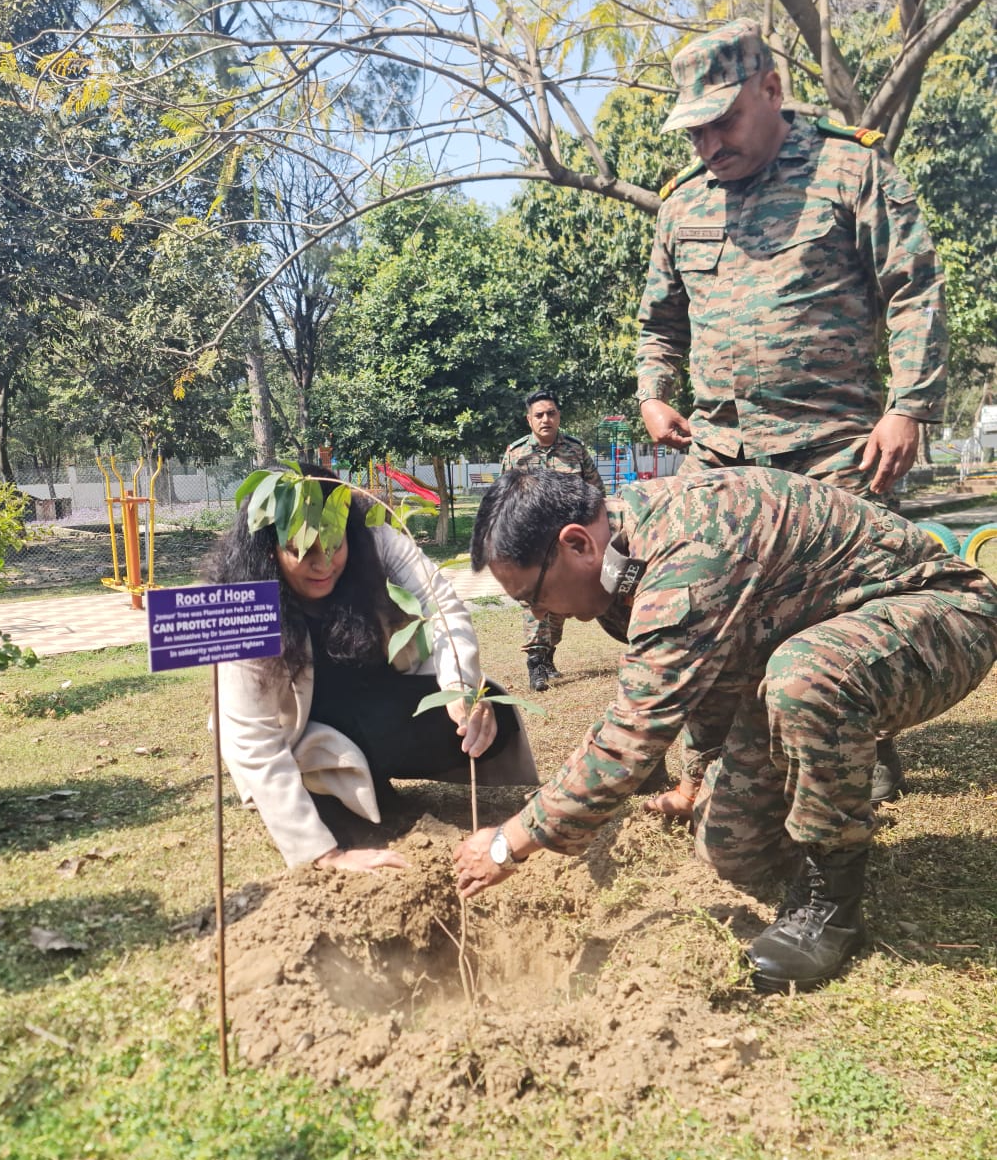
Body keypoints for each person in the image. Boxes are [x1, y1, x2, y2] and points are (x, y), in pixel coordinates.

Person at [453, 468, 997, 990]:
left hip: (940, 613)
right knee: (733, 851)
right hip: (817, 638)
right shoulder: (618, 564)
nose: (542, 613)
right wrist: (696, 782)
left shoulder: (686, 554)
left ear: (577, 544)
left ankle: (830, 903)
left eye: (533, 596)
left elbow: (634, 733)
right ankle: (833, 769)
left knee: (806, 679)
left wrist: (509, 842)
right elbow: (711, 674)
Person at [636, 17, 947, 803]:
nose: (707, 145)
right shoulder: (680, 206)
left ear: (770, 89)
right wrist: (652, 393)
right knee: (702, 602)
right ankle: (710, 768)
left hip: (838, 446)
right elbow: (658, 322)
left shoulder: (850, 171)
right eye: (693, 131)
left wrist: (908, 405)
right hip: (722, 451)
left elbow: (912, 290)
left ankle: (859, 755)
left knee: (840, 610)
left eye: (723, 121)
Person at [205, 467, 537, 870]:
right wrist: (321, 854)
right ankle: (328, 790)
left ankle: (368, 778)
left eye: (332, 544)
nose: (321, 563)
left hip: (370, 695)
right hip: (303, 729)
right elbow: (249, 735)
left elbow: (442, 610)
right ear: (269, 550)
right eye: (301, 550)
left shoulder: (376, 540)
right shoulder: (245, 601)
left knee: (493, 714)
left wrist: (461, 689)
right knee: (344, 776)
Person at [500, 389, 604, 691]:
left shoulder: (575, 449)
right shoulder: (516, 454)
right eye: (539, 415)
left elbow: (596, 492)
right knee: (533, 600)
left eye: (551, 413)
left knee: (560, 603)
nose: (546, 419)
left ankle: (548, 656)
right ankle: (535, 663)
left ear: (558, 416)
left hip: (567, 542)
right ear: (529, 419)